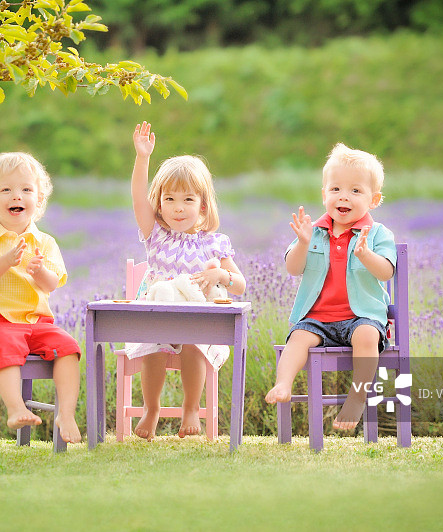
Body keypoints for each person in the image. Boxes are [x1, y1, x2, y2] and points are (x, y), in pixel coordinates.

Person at [127, 121, 247, 441]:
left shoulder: (214, 243)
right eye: (170, 199)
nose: (178, 208)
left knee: (194, 341)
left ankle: (191, 407)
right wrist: (142, 158)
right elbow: (138, 197)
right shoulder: (155, 235)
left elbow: (240, 285)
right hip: (158, 316)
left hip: (196, 320)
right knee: (153, 347)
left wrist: (220, 275)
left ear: (203, 206)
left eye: (188, 200)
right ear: (160, 204)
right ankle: (151, 409)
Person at [265, 143, 396, 431]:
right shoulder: (314, 232)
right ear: (324, 194)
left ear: (374, 199)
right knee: (297, 338)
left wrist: (366, 255)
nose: (343, 197)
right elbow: (293, 268)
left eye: (355, 191)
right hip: (318, 318)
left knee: (365, 337)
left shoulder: (376, 234)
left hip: (361, 316)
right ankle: (283, 384)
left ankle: (357, 396)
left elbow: (386, 271)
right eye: (335, 189)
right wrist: (302, 242)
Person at [0, 152, 81, 443]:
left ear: (39, 199)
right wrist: (5, 261)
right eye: (6, 190)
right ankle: (16, 409)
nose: (17, 196)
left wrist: (39, 271)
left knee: (68, 347)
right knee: (6, 346)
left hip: (37, 323)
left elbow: (51, 285)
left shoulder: (45, 242)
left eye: (26, 189)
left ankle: (66, 413)